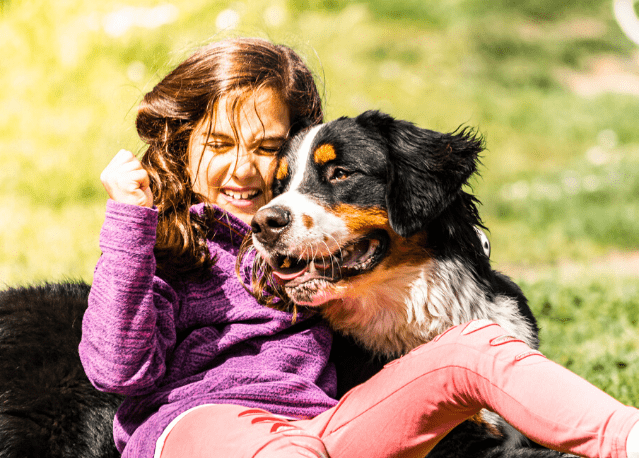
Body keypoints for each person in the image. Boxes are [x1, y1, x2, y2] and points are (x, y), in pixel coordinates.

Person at [78, 37, 639, 458]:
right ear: (181, 146)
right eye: (220, 144)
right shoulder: (162, 248)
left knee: (475, 347)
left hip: (327, 425)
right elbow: (115, 371)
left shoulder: (306, 248)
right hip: (203, 426)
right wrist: (130, 223)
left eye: (268, 148)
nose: (244, 167)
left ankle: (627, 436)